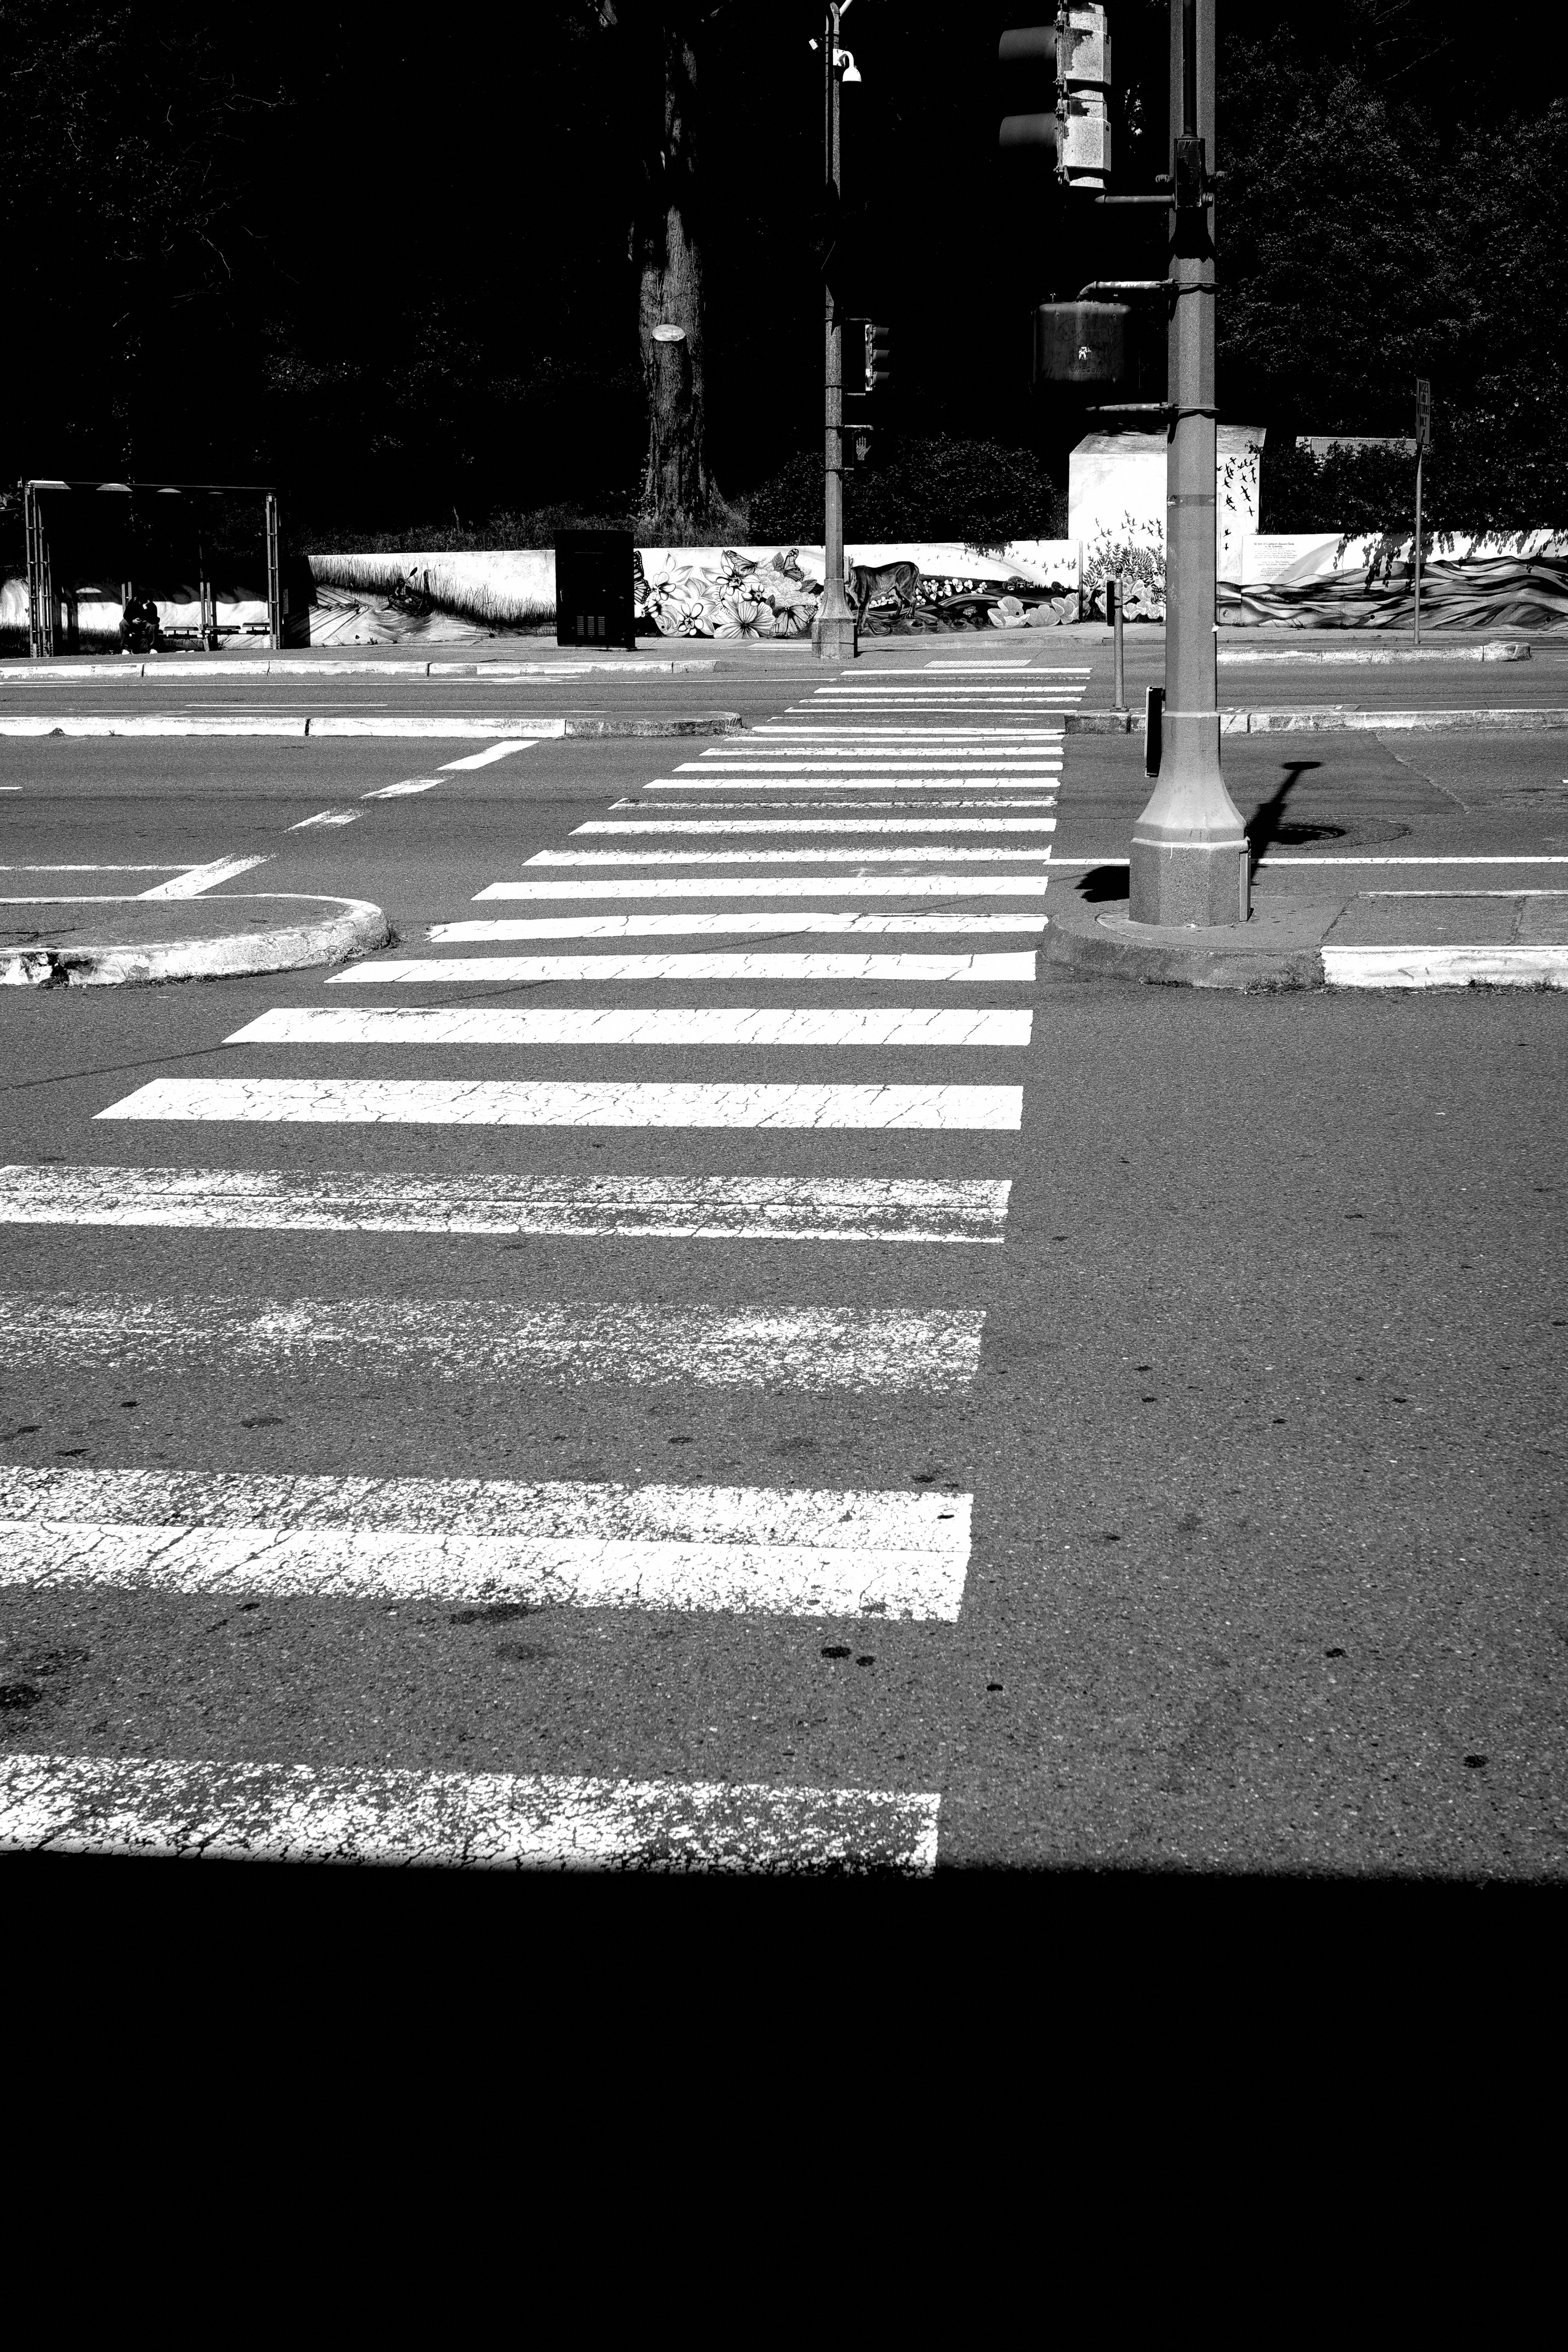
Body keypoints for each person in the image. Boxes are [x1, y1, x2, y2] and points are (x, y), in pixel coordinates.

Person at [119, 585, 161, 655]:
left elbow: (154, 620)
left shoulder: (152, 606)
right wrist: (133, 621)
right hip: (134, 623)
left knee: (153, 626)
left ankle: (153, 648)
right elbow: (126, 615)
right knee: (123, 623)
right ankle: (126, 649)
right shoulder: (133, 602)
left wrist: (146, 608)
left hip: (146, 623)